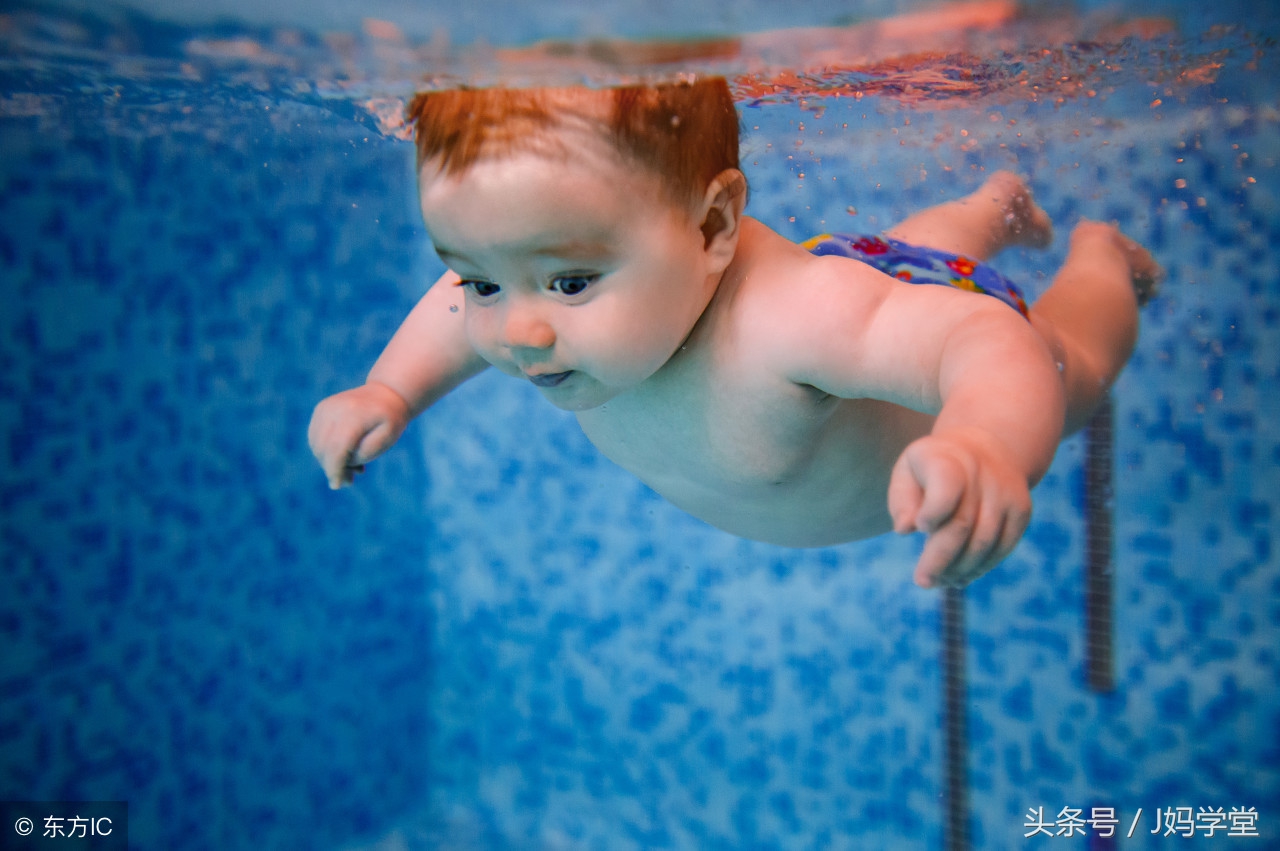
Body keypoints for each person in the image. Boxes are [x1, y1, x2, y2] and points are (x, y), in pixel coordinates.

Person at [307, 78, 1160, 589]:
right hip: (865, 275)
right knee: (905, 260)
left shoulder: (786, 320)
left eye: (570, 282)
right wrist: (390, 389)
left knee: (1071, 365)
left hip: (901, 320)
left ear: (714, 225)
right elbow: (453, 312)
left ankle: (1102, 262)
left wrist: (987, 441)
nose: (515, 329)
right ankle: (987, 208)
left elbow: (980, 342)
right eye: (482, 278)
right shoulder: (548, 310)